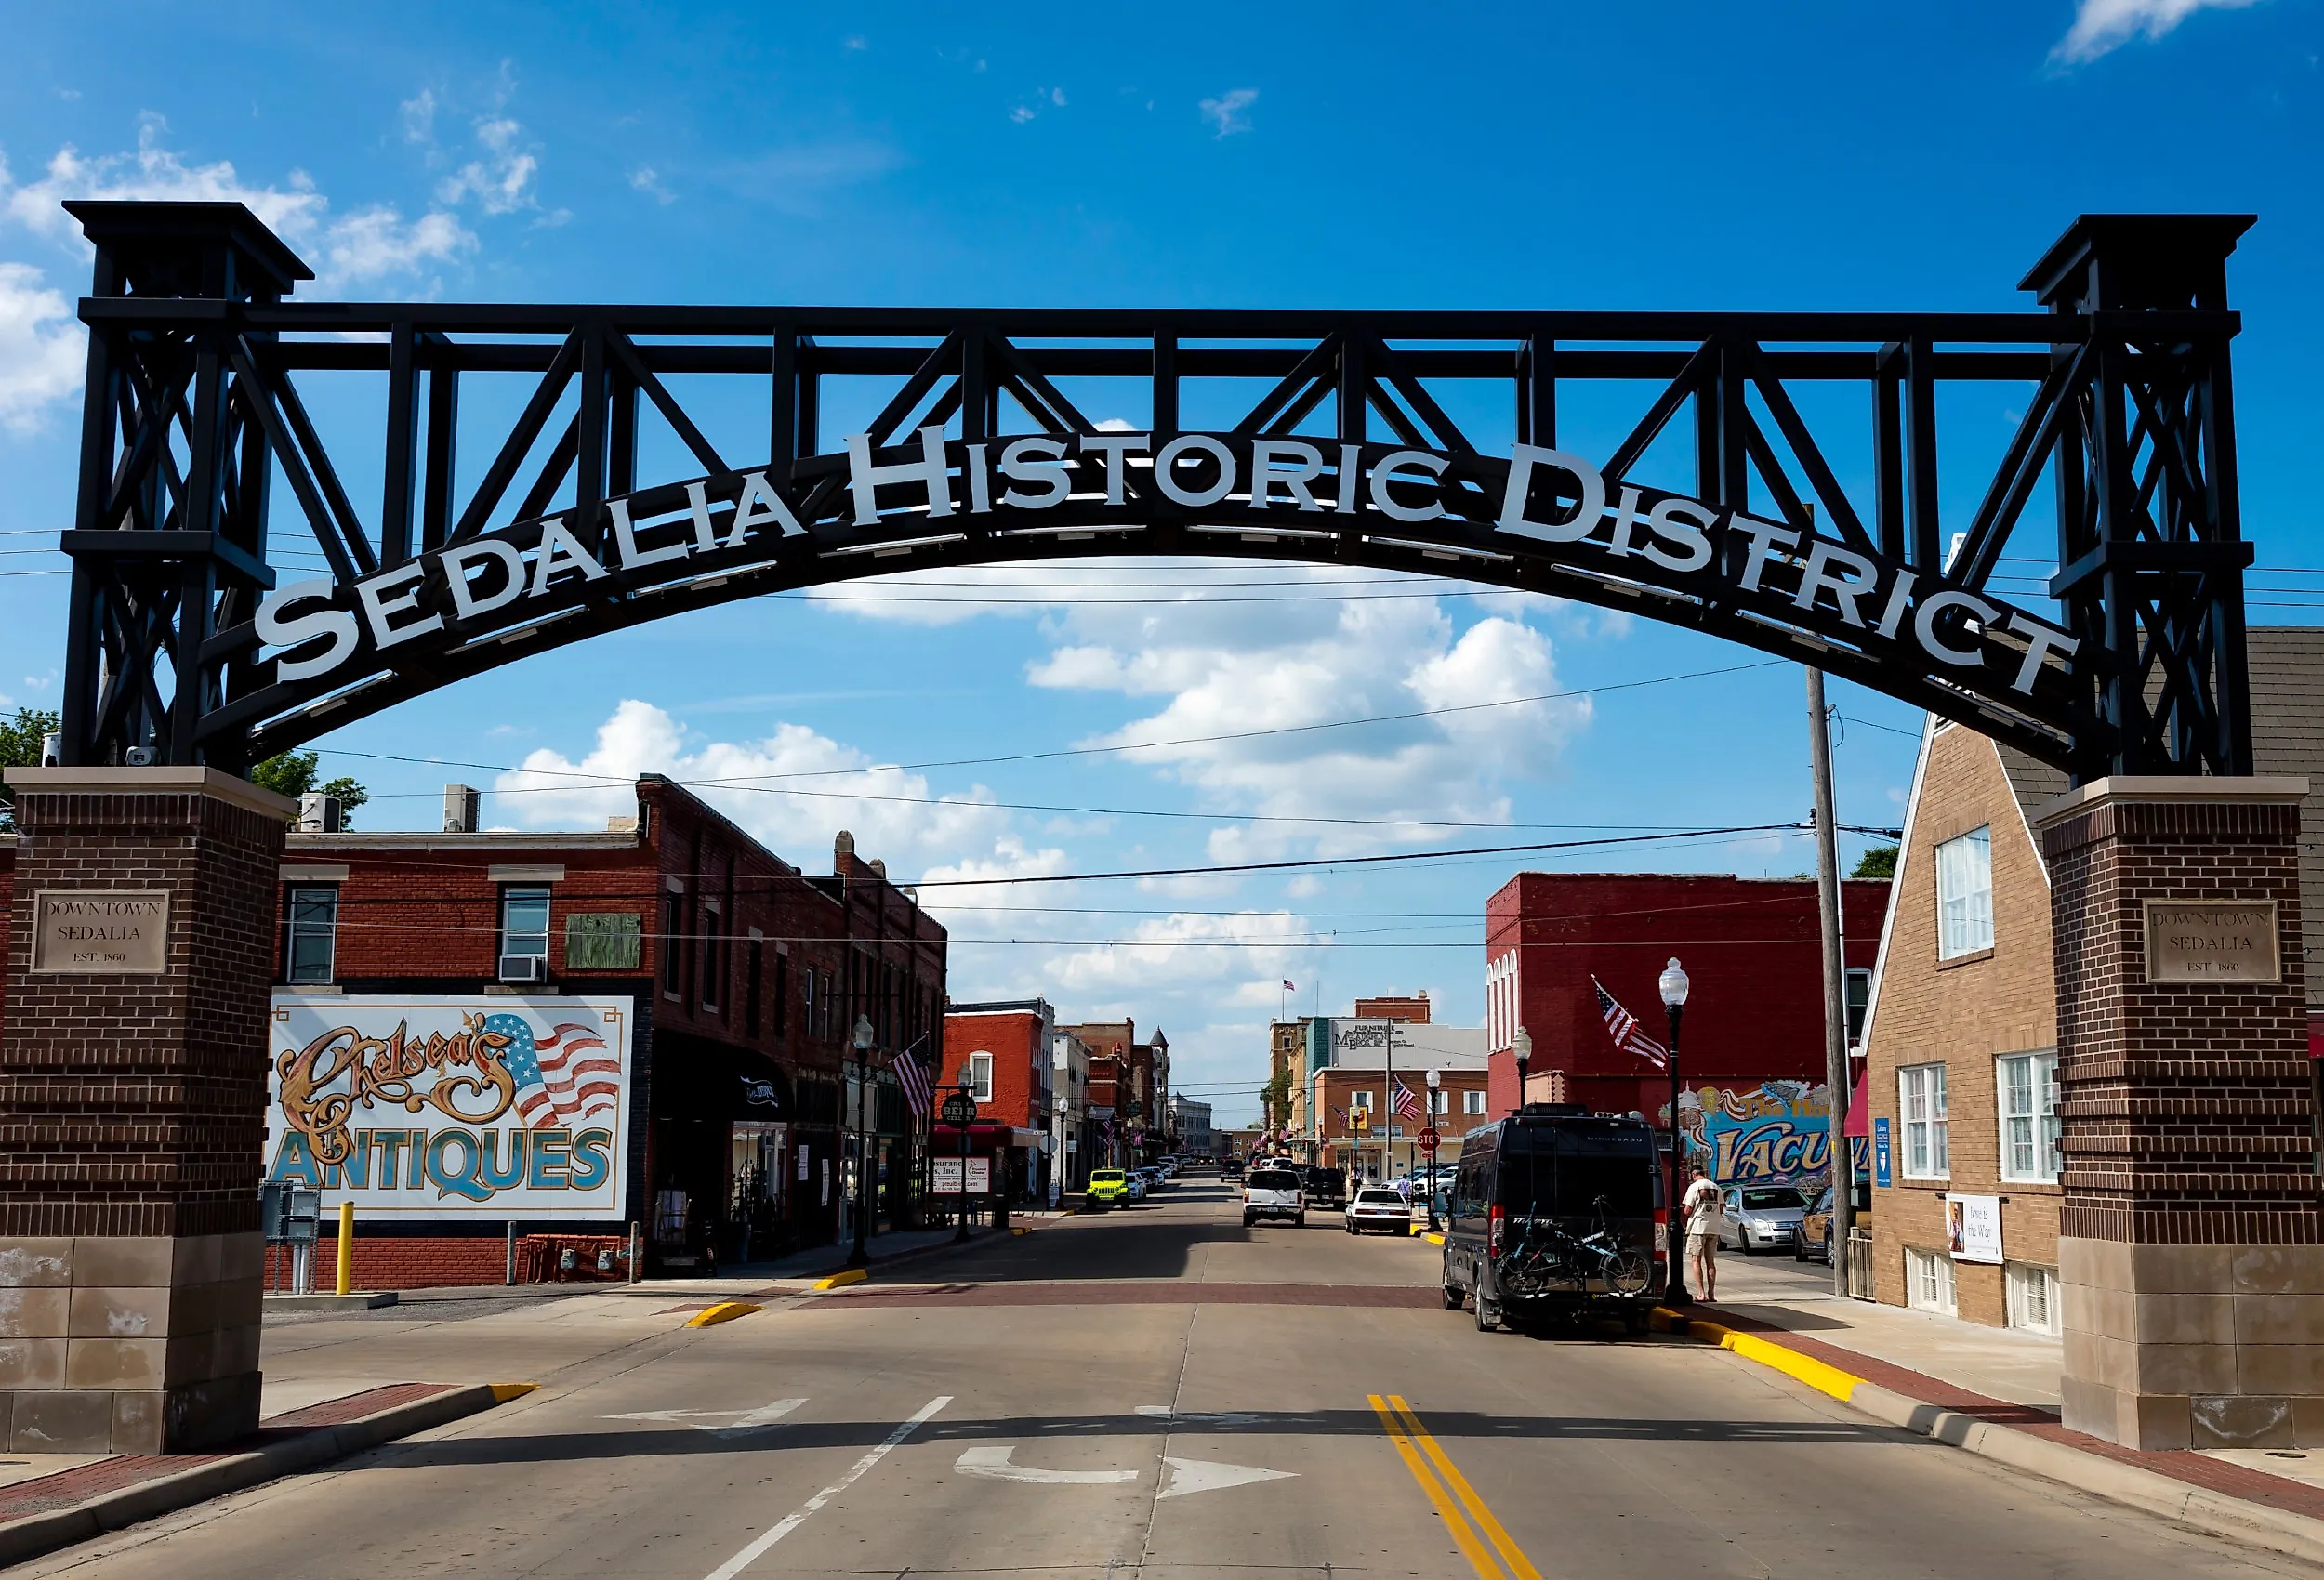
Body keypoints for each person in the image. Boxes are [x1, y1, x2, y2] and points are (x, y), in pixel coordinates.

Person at [1680, 1165, 1721, 1302]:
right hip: (1713, 1228)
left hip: (1698, 1228)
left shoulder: (1694, 1187)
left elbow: (1687, 1210)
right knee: (1711, 1263)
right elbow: (1721, 1208)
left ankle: (1701, 1293)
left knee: (1696, 1260)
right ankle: (1711, 1294)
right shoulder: (1716, 1187)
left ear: (1693, 1174)